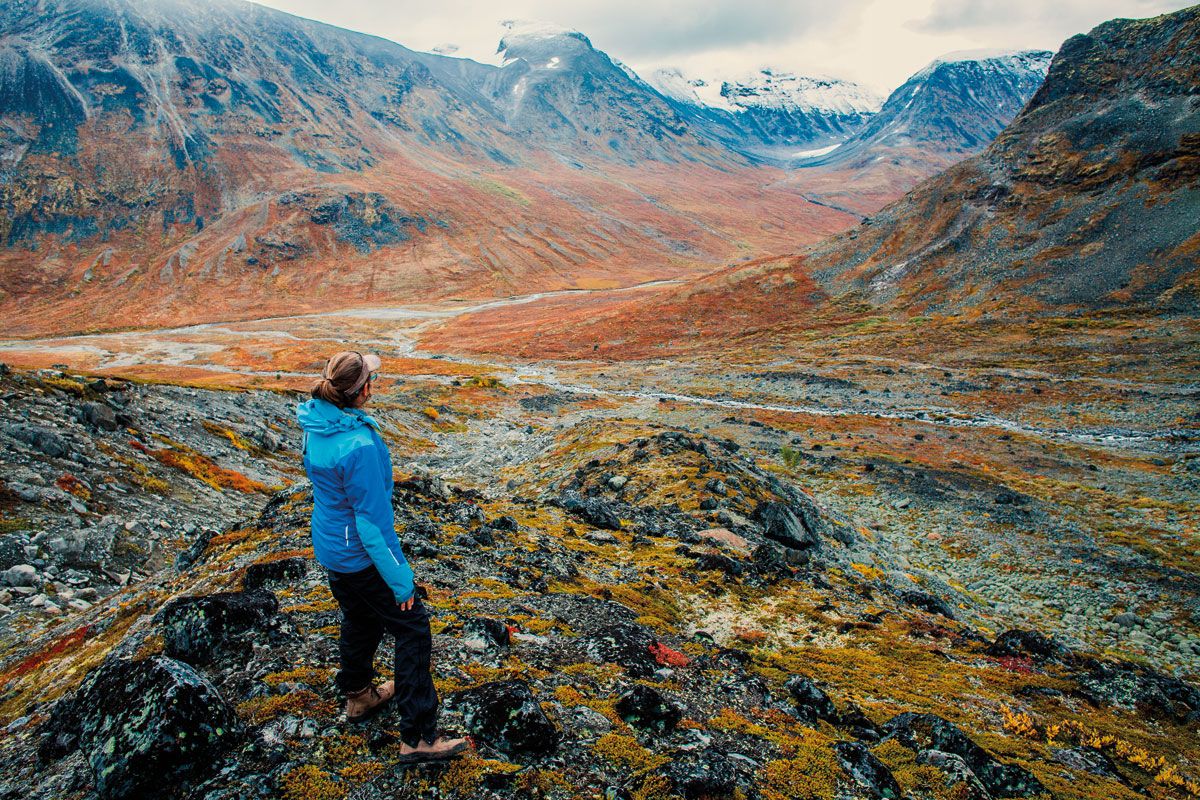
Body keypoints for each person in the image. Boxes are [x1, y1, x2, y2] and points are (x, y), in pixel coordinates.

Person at [296, 350, 467, 761]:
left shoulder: (315, 422)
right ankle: (420, 737)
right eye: (370, 378)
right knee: (413, 628)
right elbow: (372, 526)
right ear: (361, 390)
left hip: (332, 546)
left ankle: (360, 696)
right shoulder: (359, 446)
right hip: (358, 553)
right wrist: (401, 580)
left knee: (360, 616)